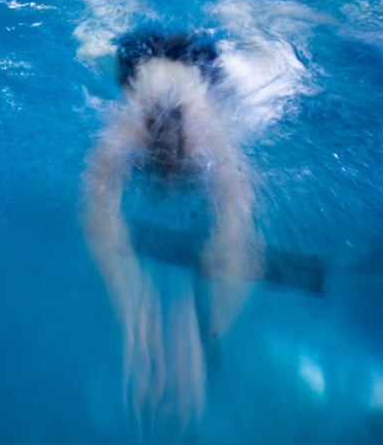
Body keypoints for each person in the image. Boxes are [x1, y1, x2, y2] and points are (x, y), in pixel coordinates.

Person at [82, 32, 263, 432]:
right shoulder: (128, 128)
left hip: (188, 66)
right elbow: (98, 215)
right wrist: (129, 305)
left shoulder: (211, 137)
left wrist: (210, 330)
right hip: (145, 61)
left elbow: (240, 239)